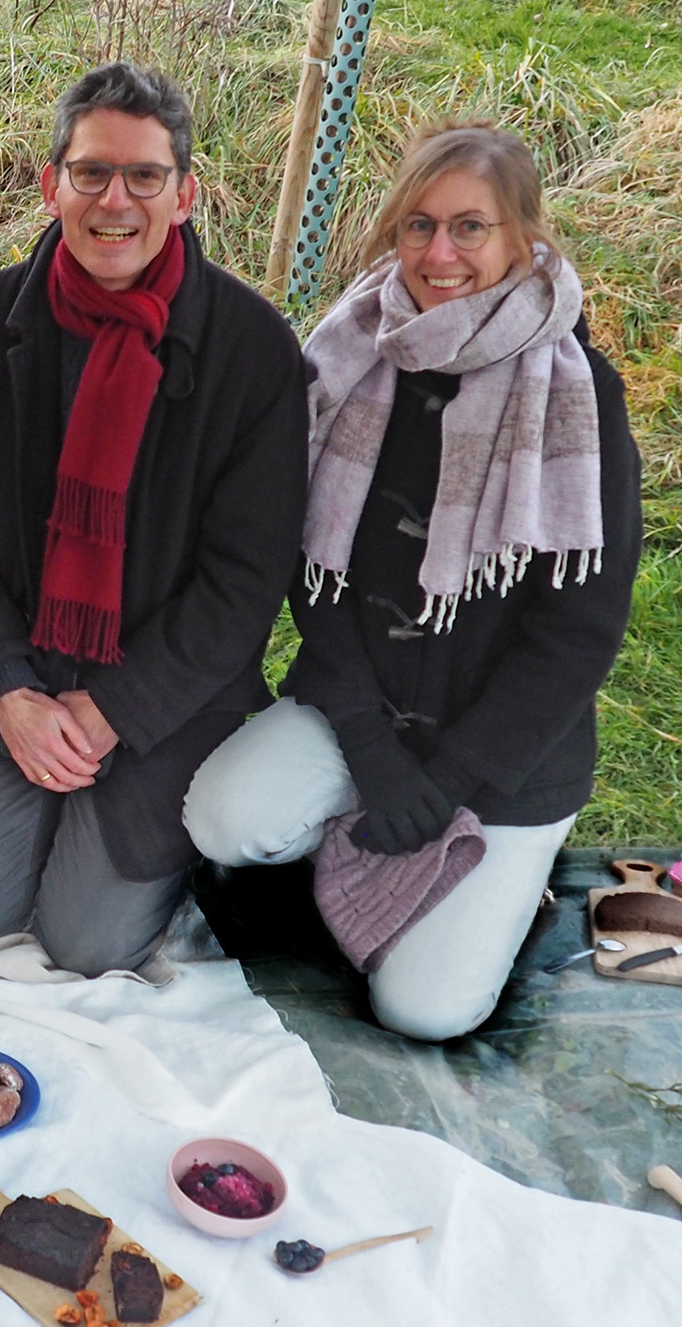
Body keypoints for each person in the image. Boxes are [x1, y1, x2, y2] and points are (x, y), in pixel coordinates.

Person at [184, 123, 640, 1041]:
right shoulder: (348, 357)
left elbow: (578, 635)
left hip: (507, 753)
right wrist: (374, 753)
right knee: (223, 818)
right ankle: (366, 834)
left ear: (524, 239)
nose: (440, 254)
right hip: (367, 713)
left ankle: (507, 883)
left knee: (424, 1010)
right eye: (419, 226)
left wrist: (453, 777)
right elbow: (314, 573)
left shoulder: (577, 393)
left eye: (471, 227)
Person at [0, 63, 308, 971]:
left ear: (184, 195)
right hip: (11, 677)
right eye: (91, 172)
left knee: (87, 943)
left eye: (144, 176)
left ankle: (114, 836)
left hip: (162, 698)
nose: (114, 200)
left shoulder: (253, 350)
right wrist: (8, 691)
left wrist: (116, 707)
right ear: (53, 186)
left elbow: (248, 579)